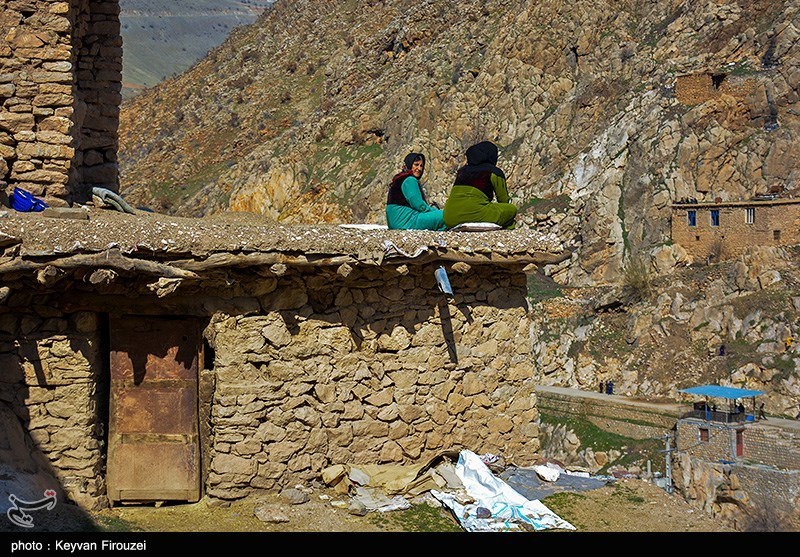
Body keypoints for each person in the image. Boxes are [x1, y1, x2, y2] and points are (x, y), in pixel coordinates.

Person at [442, 140, 517, 229]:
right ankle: (509, 229)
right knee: (511, 209)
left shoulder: (462, 171)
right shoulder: (494, 172)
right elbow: (503, 200)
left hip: (449, 218)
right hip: (476, 214)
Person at [385, 152, 445, 231]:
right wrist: (435, 212)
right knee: (446, 215)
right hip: (406, 222)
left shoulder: (400, 178)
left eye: (421, 166)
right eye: (416, 165)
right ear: (409, 165)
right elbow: (419, 205)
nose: (419, 169)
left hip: (396, 222)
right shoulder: (410, 180)